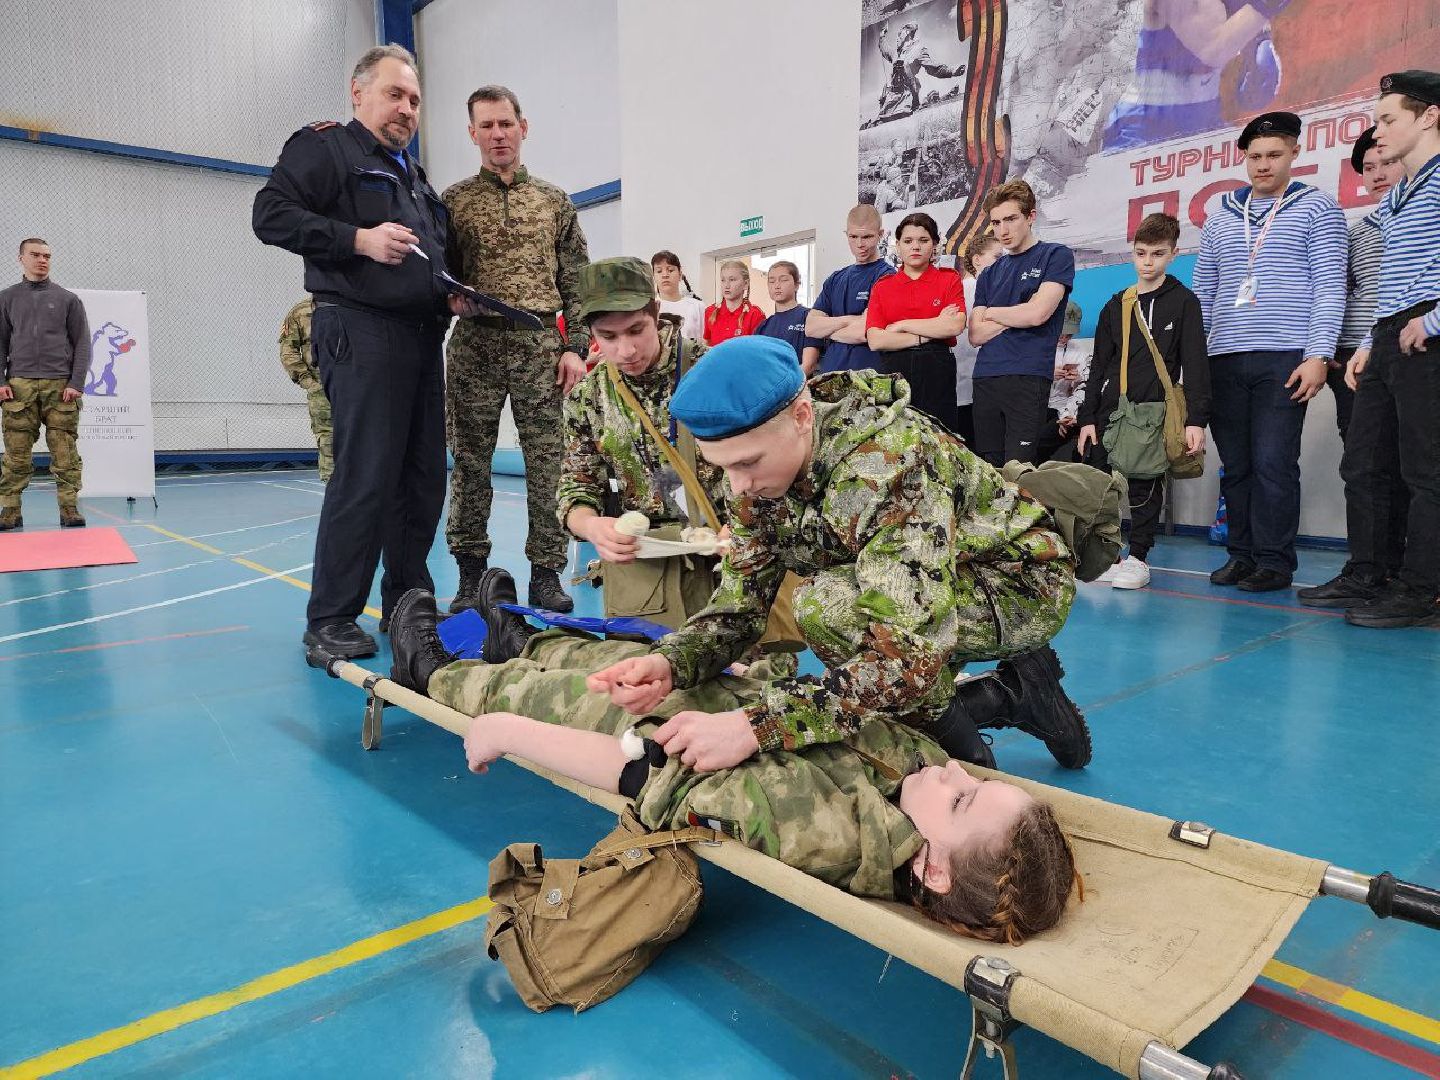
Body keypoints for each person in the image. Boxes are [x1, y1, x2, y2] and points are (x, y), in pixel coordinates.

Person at [382, 588, 1081, 941]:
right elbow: (838, 715)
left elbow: (646, 772)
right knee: (607, 656)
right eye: (972, 779)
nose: (957, 771)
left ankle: (433, 670)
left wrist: (506, 731)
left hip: (637, 732)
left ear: (932, 869)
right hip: (720, 703)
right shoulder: (915, 786)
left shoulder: (824, 833)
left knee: (540, 694)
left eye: (962, 799)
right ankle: (519, 639)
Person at [573, 336, 1094, 773]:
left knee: (828, 609)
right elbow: (740, 606)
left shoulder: (884, 466)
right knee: (840, 612)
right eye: (722, 467)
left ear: (802, 416)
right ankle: (1015, 696)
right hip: (929, 578)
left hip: (1018, 583)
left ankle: (967, 764)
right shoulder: (756, 478)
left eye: (747, 463)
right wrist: (671, 662)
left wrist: (757, 727)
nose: (738, 486)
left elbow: (908, 655)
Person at [253, 45, 471, 660]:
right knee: (366, 475)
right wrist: (357, 240)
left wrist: (451, 294)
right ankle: (330, 617)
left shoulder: (414, 177)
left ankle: (406, 601)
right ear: (358, 93)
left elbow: (427, 259)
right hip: (360, 328)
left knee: (422, 478)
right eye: (394, 94)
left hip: (422, 337)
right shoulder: (327, 148)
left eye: (415, 100)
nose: (406, 109)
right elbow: (270, 215)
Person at [442, 84, 590, 616]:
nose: (497, 134)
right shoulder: (453, 203)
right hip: (474, 346)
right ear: (472, 134)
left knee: (548, 463)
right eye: (486, 125)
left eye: (505, 123)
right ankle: (469, 577)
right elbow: (438, 278)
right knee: (470, 464)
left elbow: (577, 280)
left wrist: (575, 347)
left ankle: (546, 575)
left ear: (522, 127)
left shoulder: (554, 201)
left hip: (539, 347)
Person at [1191, 111, 1347, 592]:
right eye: (1255, 156)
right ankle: (1241, 554)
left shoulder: (1318, 208)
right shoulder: (1221, 217)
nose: (1263, 164)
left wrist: (1318, 354)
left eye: (1274, 155)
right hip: (1223, 357)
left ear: (1295, 153)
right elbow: (1204, 293)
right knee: (1236, 465)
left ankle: (1275, 562)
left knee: (1273, 462)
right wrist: (1193, 362)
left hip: (1285, 356)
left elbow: (1329, 286)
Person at [1319, 72, 1440, 628]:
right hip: (1389, 334)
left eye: (1389, 119)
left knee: (1426, 469)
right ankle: (1371, 572)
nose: (1378, 132)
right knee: (1365, 461)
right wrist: (1370, 340)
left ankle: (1422, 590)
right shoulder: (1402, 195)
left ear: (1429, 116)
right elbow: (1392, 279)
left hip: (1426, 331)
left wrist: (1432, 321)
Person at [1077, 213, 1210, 590]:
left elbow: (1196, 364)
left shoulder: (1184, 302)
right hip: (1111, 410)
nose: (1147, 262)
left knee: (1145, 487)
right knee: (1100, 486)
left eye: (1157, 253)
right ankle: (1107, 557)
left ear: (1174, 254)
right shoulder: (1116, 304)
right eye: (1140, 253)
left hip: (1155, 410)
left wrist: (1196, 420)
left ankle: (1138, 557)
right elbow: (1098, 366)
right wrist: (1087, 417)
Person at [967, 181, 1076, 467]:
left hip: (1028, 376)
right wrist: (1021, 311)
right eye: (996, 222)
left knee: (1020, 470)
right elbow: (975, 334)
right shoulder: (989, 274)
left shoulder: (1056, 255)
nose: (1003, 229)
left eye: (1011, 219)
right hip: (986, 377)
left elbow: (1038, 314)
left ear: (1030, 217)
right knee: (988, 471)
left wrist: (992, 313)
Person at [1103, 0, 1291, 152]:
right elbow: (1210, 50)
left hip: (1206, 117)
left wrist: (1259, 47)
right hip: (1147, 127)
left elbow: (1250, 29)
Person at [0, 237, 91, 531]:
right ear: (21, 259)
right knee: (16, 454)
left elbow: (82, 344)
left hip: (60, 388)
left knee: (65, 452)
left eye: (47, 256)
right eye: (36, 255)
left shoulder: (68, 300)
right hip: (19, 388)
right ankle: (10, 511)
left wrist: (76, 382)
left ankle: (69, 509)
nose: (42, 260)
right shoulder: (6, 298)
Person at [1327, 128, 1406, 443]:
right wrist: (1328, 347)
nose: (1378, 175)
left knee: (1416, 448)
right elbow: (1337, 292)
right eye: (1369, 168)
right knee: (1361, 451)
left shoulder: (1427, 220)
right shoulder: (1353, 233)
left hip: (1409, 344)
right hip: (1353, 355)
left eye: (1387, 163)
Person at [864, 212, 966, 431]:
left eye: (923, 240)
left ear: (934, 245)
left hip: (936, 368)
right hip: (892, 369)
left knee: (940, 436)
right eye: (908, 241)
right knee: (893, 437)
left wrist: (901, 325)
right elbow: (876, 340)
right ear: (898, 246)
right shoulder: (883, 286)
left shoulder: (948, 279)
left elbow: (955, 325)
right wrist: (931, 329)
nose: (915, 247)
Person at [806, 205, 893, 374]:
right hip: (830, 377)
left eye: (867, 236)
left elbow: (863, 332)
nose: (860, 244)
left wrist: (827, 332)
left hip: (868, 378)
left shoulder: (887, 276)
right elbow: (811, 327)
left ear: (880, 234)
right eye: (853, 236)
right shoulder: (835, 279)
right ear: (847, 234)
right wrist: (852, 320)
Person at [951, 231, 1003, 446]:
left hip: (975, 386)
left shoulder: (990, 290)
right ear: (977, 260)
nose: (1003, 263)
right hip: (970, 385)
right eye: (998, 257)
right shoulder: (968, 289)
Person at [276, 297, 334, 482]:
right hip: (321, 387)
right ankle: (332, 486)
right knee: (328, 438)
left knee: (362, 436)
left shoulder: (352, 307)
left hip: (355, 385)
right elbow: (288, 350)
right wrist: (308, 382)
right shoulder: (300, 311)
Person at [1038, 301, 1090, 461]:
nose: (1064, 338)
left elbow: (1086, 387)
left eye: (1069, 334)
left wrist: (1078, 378)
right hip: (1034, 407)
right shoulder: (1034, 345)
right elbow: (1020, 380)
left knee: (1049, 436)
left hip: (1063, 409)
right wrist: (1046, 374)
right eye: (1062, 332)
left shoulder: (1079, 351)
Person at [754, 261, 822, 372]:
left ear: (797, 285)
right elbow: (757, 364)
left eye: (783, 280)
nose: (777, 286)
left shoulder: (809, 317)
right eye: (772, 281)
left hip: (799, 381)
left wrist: (784, 381)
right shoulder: (763, 326)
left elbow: (809, 365)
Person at [703, 260, 765, 345]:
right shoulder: (710, 311)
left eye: (732, 280)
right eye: (723, 280)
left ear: (745, 284)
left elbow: (759, 348)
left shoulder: (755, 314)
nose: (726, 285)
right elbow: (707, 345)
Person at [651, 250, 705, 340]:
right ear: (654, 277)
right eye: (659, 271)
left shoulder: (697, 306)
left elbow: (705, 341)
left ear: (680, 274)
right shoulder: (649, 308)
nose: (665, 275)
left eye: (670, 270)